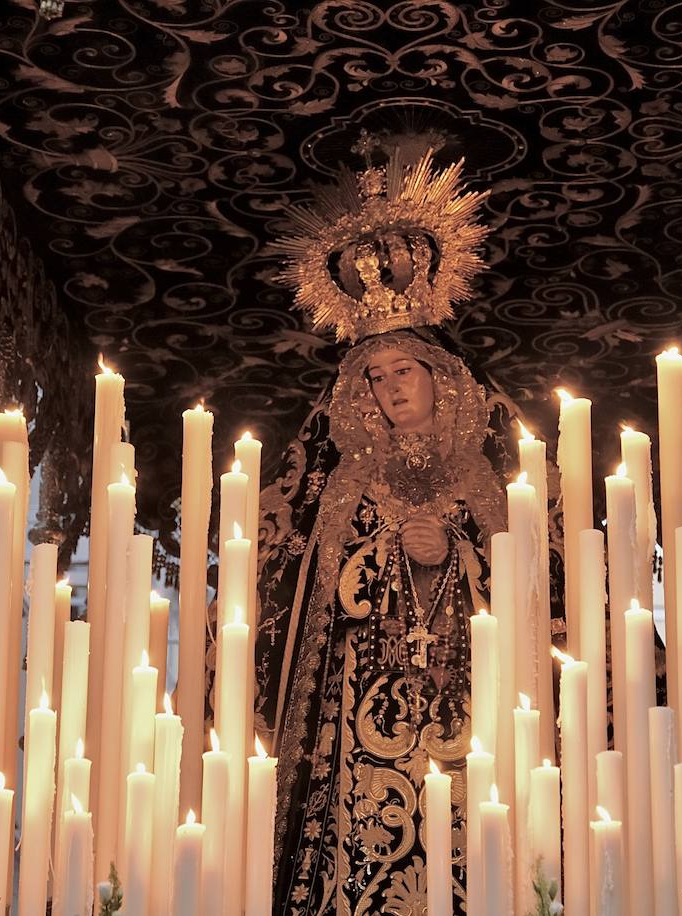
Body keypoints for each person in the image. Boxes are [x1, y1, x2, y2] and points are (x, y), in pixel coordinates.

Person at [248, 147, 548, 914]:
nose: (389, 390)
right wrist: (384, 556)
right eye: (374, 379)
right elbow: (306, 603)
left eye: (402, 372)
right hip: (360, 723)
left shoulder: (485, 476)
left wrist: (455, 556)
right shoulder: (343, 482)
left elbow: (540, 586)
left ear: (438, 374)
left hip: (472, 709)